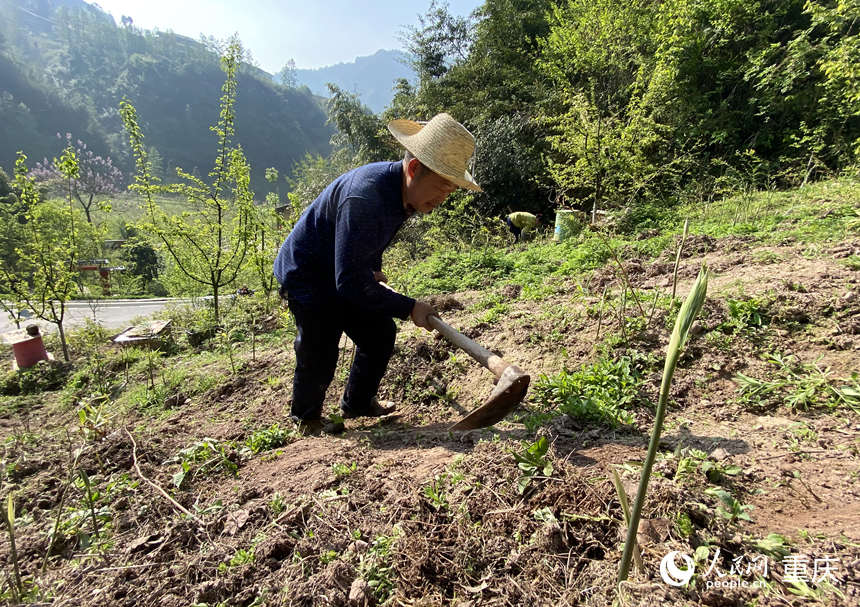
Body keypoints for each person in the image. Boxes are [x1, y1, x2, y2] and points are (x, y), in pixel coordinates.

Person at [273, 113, 481, 435]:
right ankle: (306, 417)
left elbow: (368, 241)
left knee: (379, 333)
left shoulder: (404, 195)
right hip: (308, 272)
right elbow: (349, 282)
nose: (442, 198)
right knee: (321, 342)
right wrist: (410, 307)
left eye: (450, 191)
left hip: (342, 268)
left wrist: (371, 267)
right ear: (414, 169)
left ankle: (357, 402)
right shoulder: (367, 198)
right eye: (441, 186)